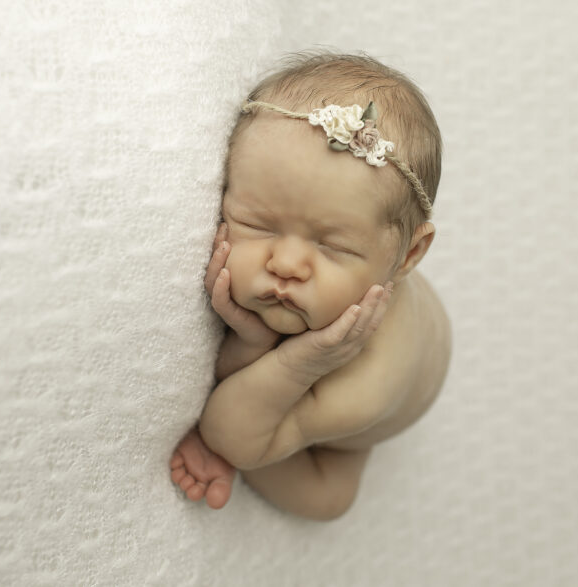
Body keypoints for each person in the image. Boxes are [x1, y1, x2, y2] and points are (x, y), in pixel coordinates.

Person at [169, 51, 451, 520]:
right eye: (256, 224)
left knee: (328, 501)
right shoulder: (329, 282)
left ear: (407, 258)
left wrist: (299, 362)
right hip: (352, 296)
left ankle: (286, 439)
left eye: (333, 247)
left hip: (355, 428)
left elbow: (227, 434)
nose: (285, 264)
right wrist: (255, 337)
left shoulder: (367, 385)